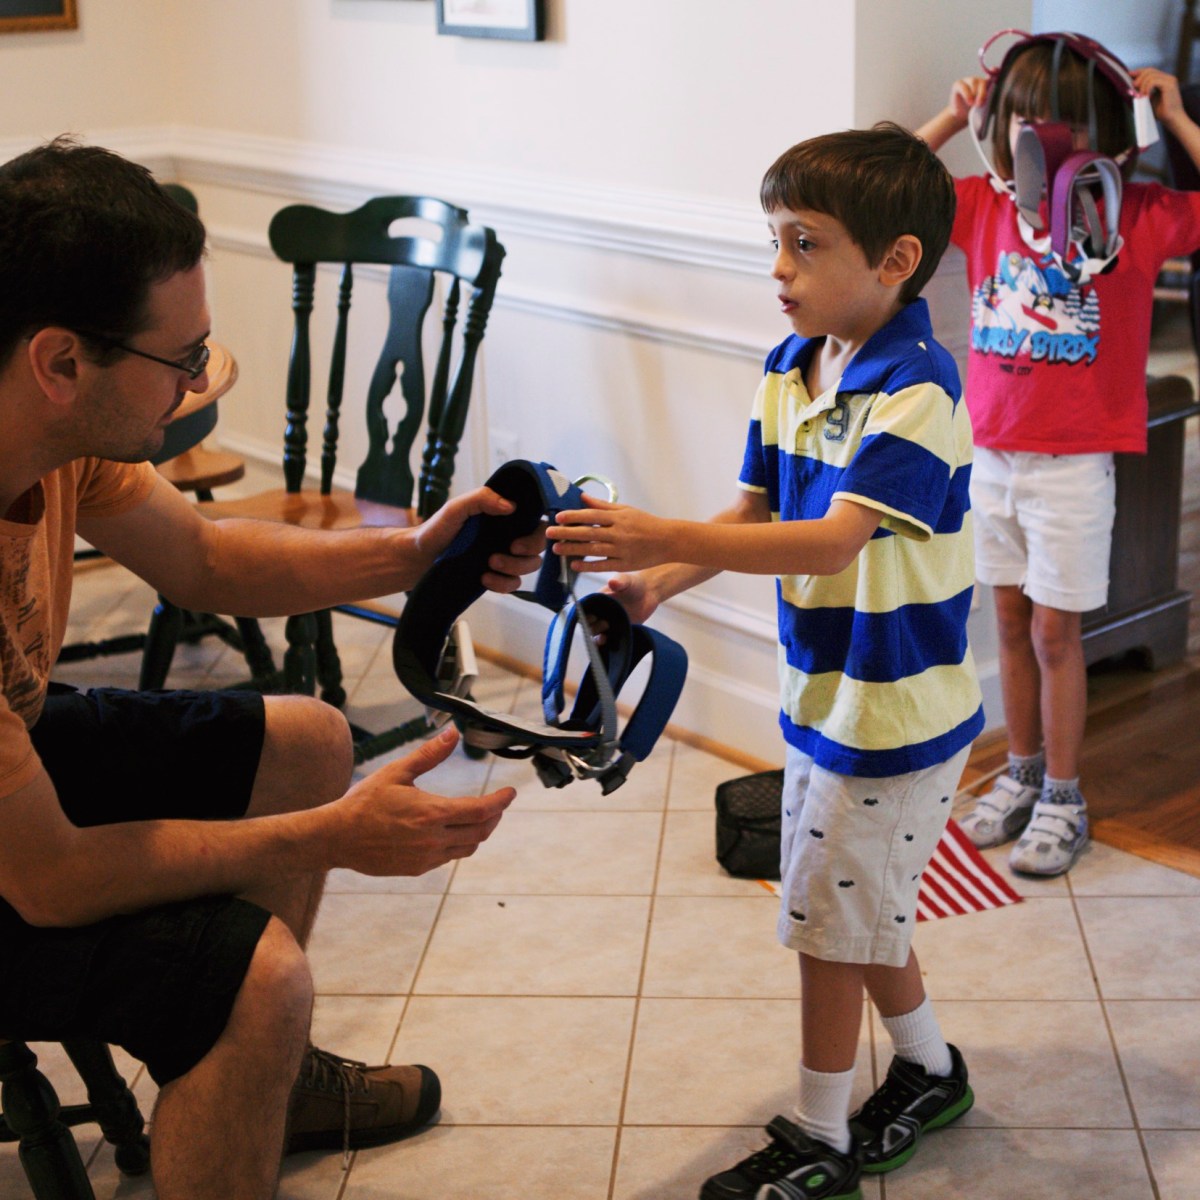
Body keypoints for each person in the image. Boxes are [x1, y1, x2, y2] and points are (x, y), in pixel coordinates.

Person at [0, 137, 542, 1200]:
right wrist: (337, 835)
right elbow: (52, 880)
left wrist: (415, 549)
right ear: (61, 363)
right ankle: (247, 1043)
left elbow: (205, 555)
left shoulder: (58, 430)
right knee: (262, 983)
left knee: (308, 738)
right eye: (183, 359)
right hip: (23, 859)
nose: (200, 382)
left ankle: (258, 1086)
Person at [548, 123, 982, 1200]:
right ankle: (931, 1070)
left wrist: (661, 537)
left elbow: (831, 538)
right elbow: (755, 509)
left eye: (805, 244)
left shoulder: (918, 393)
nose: (778, 269)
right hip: (825, 694)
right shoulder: (791, 367)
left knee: (826, 927)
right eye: (774, 239)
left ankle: (819, 1134)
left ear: (894, 264)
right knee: (853, 906)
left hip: (894, 713)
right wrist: (654, 583)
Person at [915, 34, 1200, 876]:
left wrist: (1178, 116)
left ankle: (1065, 794)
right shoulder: (982, 208)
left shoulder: (1139, 222)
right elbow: (880, 182)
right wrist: (951, 115)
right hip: (994, 456)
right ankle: (1022, 772)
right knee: (1005, 621)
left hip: (1075, 467)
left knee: (1055, 633)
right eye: (1024, 125)